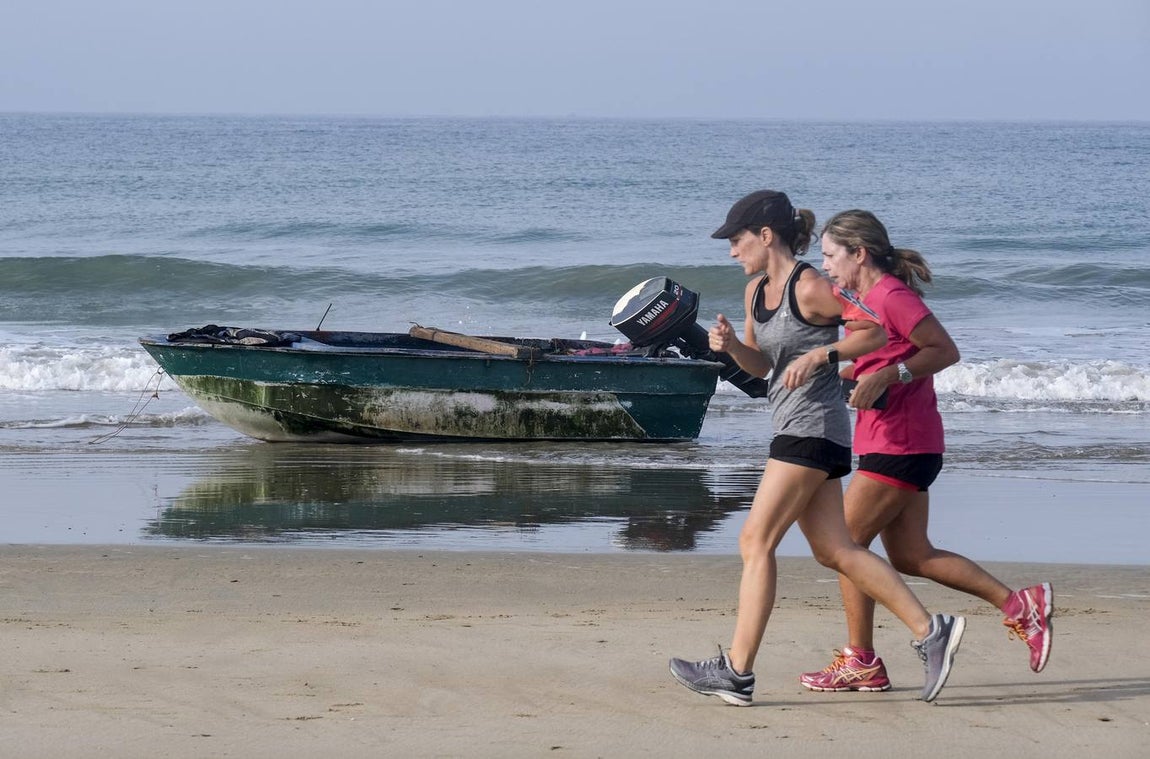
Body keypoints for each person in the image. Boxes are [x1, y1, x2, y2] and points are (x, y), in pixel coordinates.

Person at [668, 191, 966, 706]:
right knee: (836, 550)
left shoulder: (812, 287)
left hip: (813, 427)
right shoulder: (757, 291)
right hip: (795, 426)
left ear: (766, 235)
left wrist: (825, 354)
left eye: (737, 240)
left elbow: (873, 330)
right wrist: (730, 348)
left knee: (754, 542)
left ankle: (737, 673)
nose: (732, 251)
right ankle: (929, 630)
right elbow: (763, 368)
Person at [800, 209, 1052, 693]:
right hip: (901, 440)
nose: (826, 266)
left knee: (845, 548)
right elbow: (885, 357)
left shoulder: (889, 295)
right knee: (912, 555)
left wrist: (888, 376)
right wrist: (849, 372)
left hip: (902, 442)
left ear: (859, 253)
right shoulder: (864, 301)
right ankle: (1020, 605)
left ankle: (862, 661)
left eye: (831, 255)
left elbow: (943, 350)